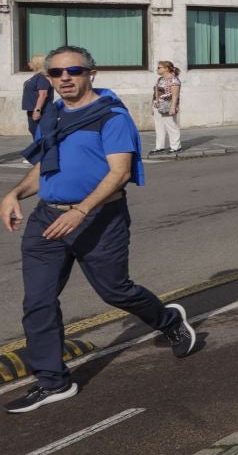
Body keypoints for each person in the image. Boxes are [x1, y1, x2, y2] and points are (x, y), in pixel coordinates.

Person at [2, 45, 201, 413]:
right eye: (57, 73)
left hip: (98, 218)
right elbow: (45, 166)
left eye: (73, 71)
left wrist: (81, 211)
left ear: (91, 74)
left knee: (115, 291)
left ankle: (169, 320)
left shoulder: (110, 116)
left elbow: (119, 172)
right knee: (38, 301)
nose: (65, 78)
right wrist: (14, 193)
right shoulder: (54, 115)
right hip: (48, 218)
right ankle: (53, 382)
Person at [151, 60, 183, 154]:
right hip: (158, 105)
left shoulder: (174, 80)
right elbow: (155, 93)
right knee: (159, 126)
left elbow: (175, 95)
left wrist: (173, 107)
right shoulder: (160, 79)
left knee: (171, 126)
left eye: (159, 67)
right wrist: (152, 106)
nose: (157, 69)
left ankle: (176, 147)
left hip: (167, 106)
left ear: (166, 68)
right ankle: (159, 147)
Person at [21, 55, 51, 139]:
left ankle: (41, 151)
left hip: (40, 110)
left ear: (37, 64)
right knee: (33, 130)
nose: (29, 63)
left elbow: (43, 94)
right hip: (32, 109)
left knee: (38, 133)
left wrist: (37, 110)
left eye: (31, 61)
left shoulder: (42, 77)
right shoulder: (37, 76)